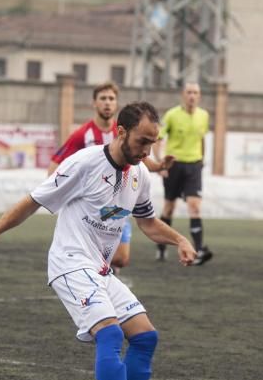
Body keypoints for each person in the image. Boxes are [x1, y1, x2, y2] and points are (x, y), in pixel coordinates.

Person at [0, 101, 197, 380]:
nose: (147, 150)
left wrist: (179, 238)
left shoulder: (140, 175)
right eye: (142, 141)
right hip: (70, 263)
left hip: (100, 271)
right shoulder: (84, 164)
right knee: (109, 333)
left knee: (145, 337)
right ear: (121, 132)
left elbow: (148, 222)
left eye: (152, 143)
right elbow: (33, 201)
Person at [48, 82, 174, 274]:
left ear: (116, 104)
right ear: (94, 104)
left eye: (111, 99)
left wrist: (159, 167)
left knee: (122, 258)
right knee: (98, 254)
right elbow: (56, 163)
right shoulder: (83, 134)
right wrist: (62, 191)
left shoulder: (127, 132)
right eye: (103, 98)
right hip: (92, 204)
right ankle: (89, 274)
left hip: (117, 204)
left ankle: (99, 272)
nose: (107, 103)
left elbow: (140, 160)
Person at [154, 82, 212, 265]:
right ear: (183, 95)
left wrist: (202, 159)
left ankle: (199, 249)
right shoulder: (172, 115)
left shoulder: (204, 116)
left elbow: (202, 139)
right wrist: (161, 164)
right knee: (169, 207)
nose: (192, 96)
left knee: (194, 206)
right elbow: (158, 139)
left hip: (194, 166)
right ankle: (162, 248)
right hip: (174, 166)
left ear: (200, 96)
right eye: (189, 92)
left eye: (195, 93)